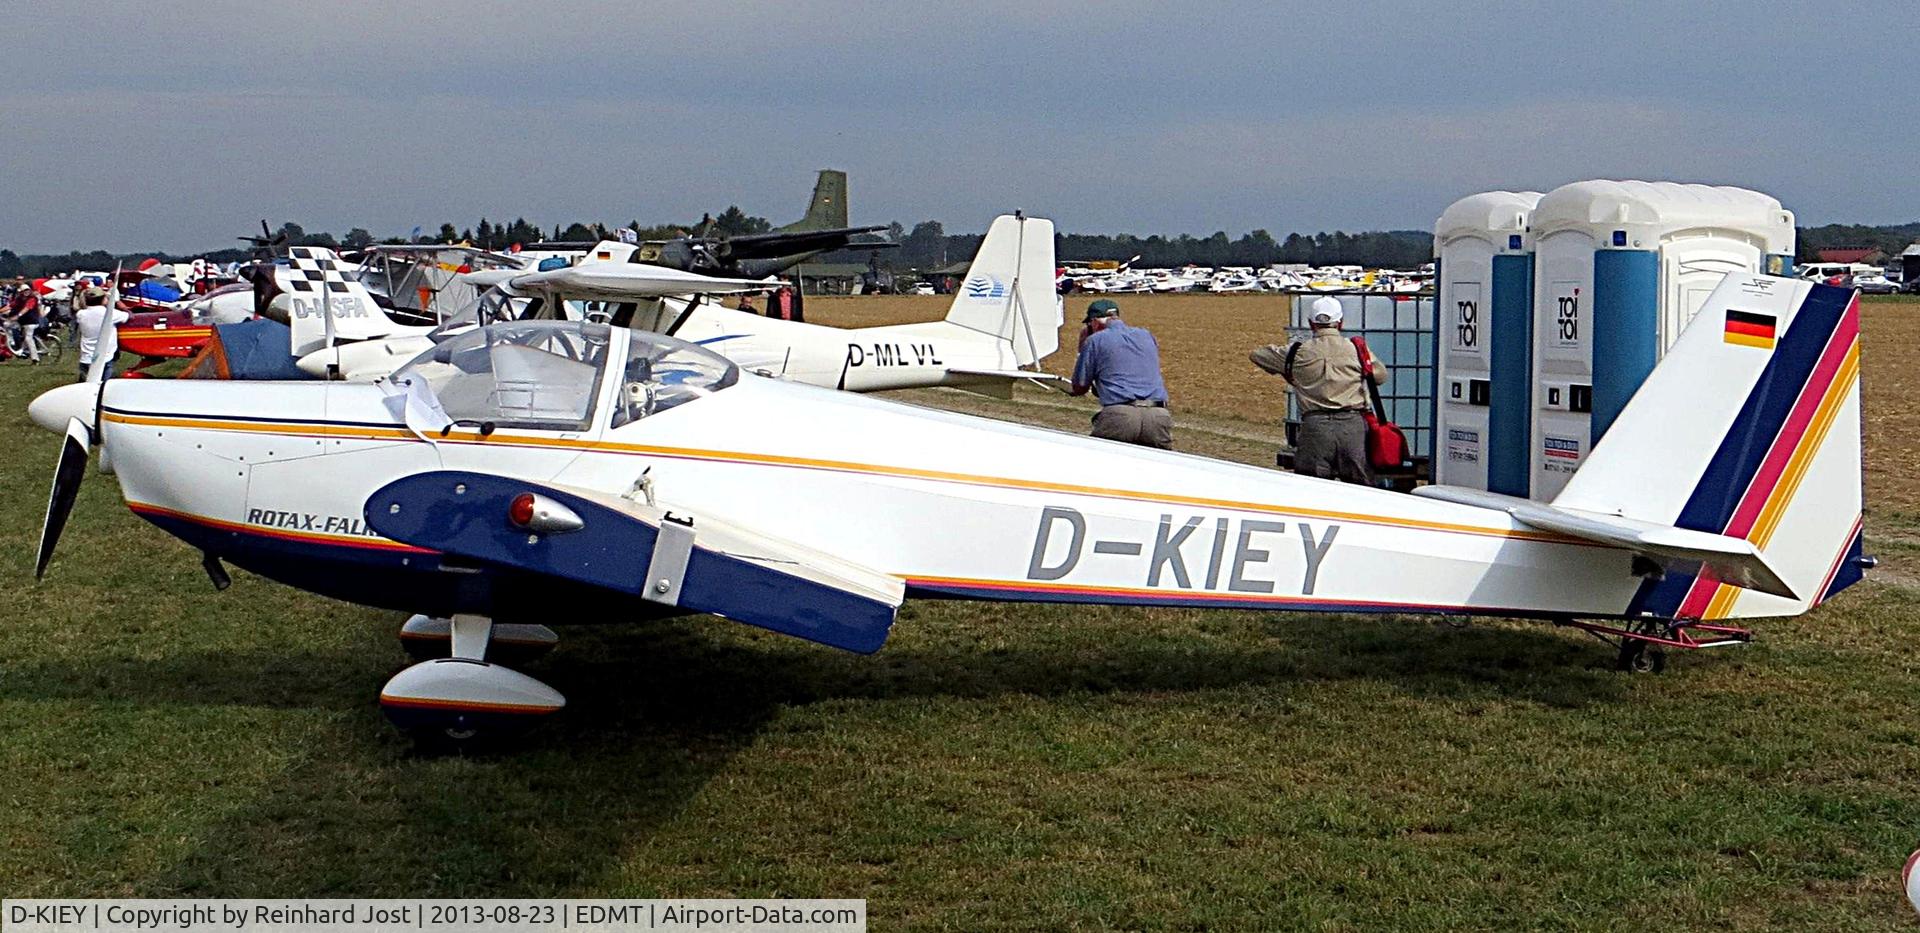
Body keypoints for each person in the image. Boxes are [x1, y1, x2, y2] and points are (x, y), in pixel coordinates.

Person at [1251, 296, 1386, 483]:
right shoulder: (1356, 349)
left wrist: (1289, 371)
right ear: (1340, 323)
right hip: (1352, 426)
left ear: (1311, 323)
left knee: (1313, 488)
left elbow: (1257, 355)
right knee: (1360, 489)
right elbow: (1380, 377)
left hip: (1315, 426)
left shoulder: (1297, 352)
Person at [1069, 299, 1173, 449]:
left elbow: (1079, 386)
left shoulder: (1095, 340)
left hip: (1120, 415)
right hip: (1159, 415)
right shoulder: (1146, 335)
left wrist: (1082, 350)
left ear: (1094, 322)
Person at [74, 288, 127, 381]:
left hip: (86, 357)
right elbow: (128, 315)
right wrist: (119, 304)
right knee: (103, 386)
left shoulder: (80, 314)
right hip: (104, 357)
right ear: (103, 299)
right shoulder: (109, 313)